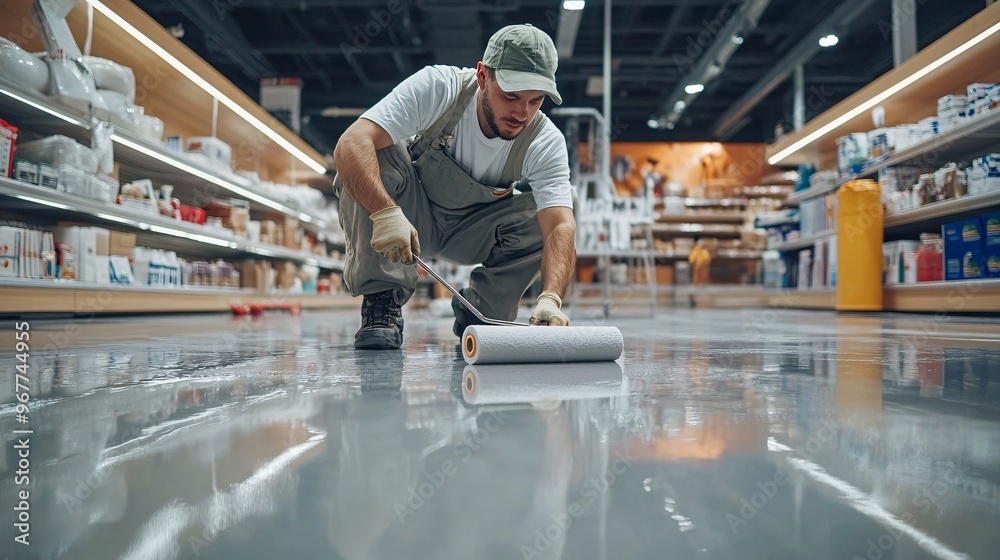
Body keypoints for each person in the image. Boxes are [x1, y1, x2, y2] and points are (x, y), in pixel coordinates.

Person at [331, 24, 577, 349]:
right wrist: (384, 212)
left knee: (552, 216)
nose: (522, 113)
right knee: (374, 151)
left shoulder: (544, 141)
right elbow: (351, 142)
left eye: (536, 100)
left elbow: (560, 224)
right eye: (511, 96)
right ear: (483, 76)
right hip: (409, 216)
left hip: (473, 233)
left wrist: (551, 297)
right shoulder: (439, 88)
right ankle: (382, 302)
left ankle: (480, 317)